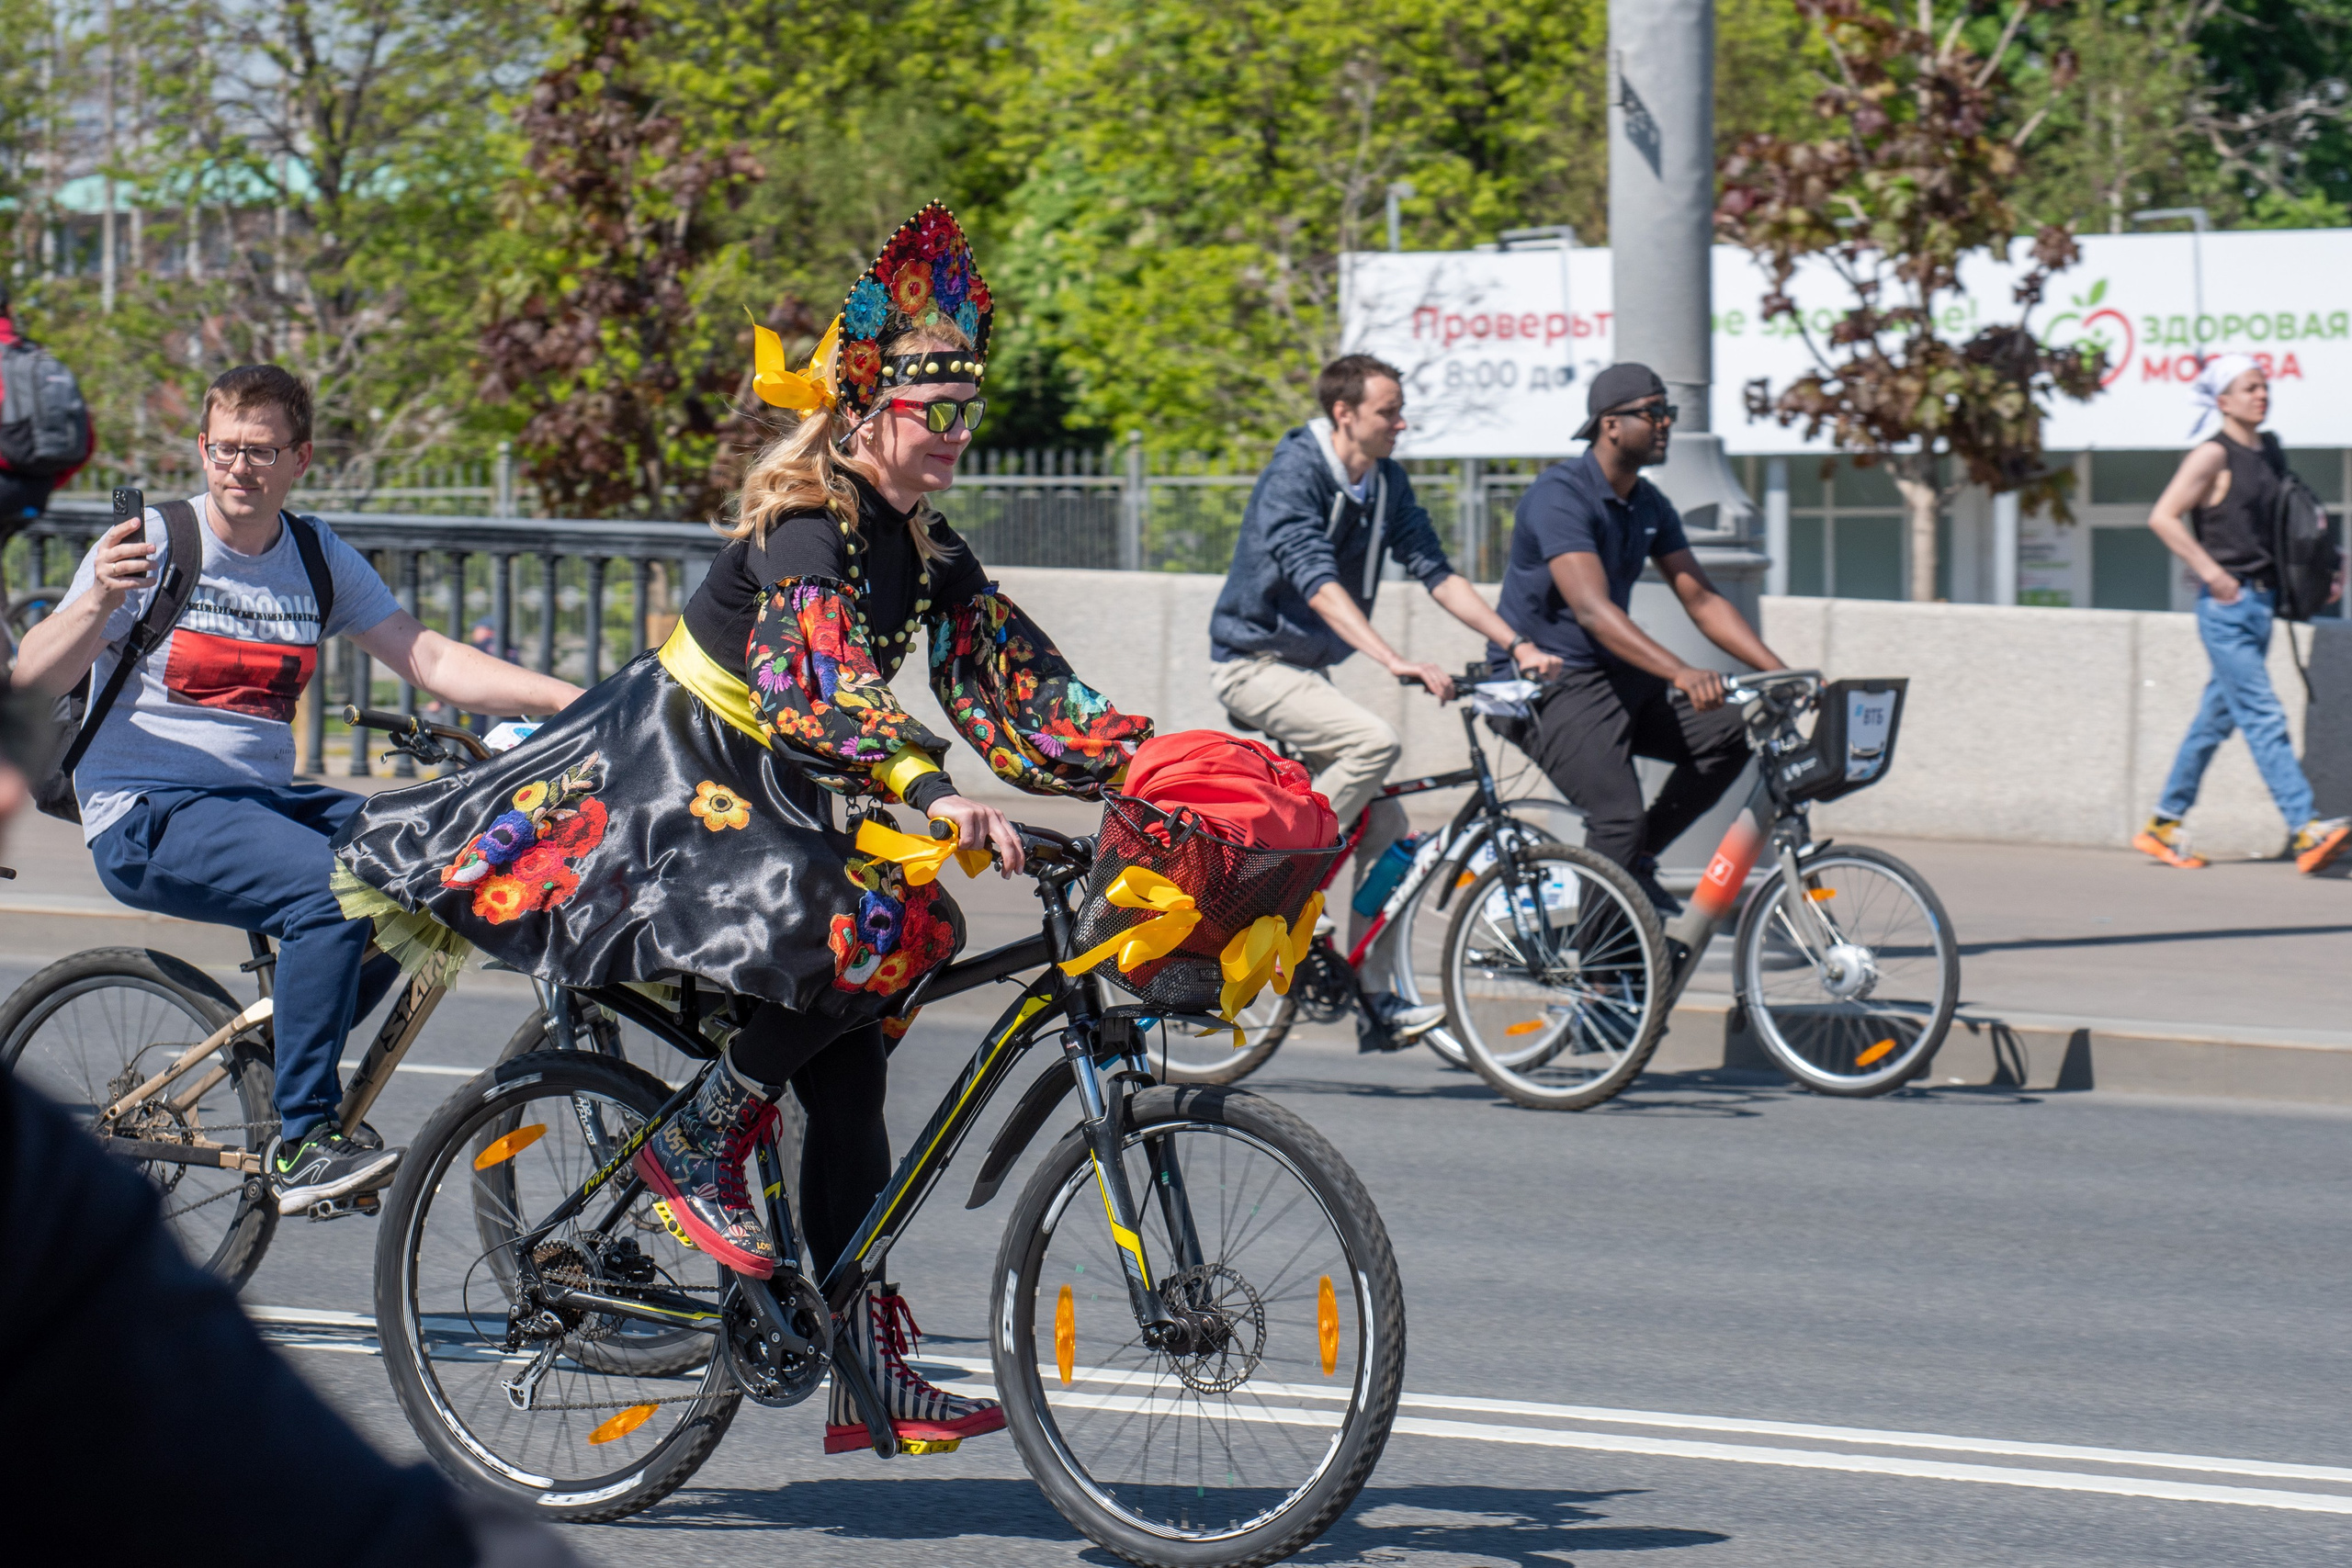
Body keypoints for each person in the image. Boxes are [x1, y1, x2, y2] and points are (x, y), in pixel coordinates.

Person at [332, 204, 1150, 1458]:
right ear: (869, 407)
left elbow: (1019, 687)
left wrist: (1152, 771)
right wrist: (935, 795)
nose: (962, 437)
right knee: (895, 919)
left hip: (770, 804)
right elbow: (819, 685)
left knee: (858, 1060)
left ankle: (857, 1345)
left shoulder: (927, 551)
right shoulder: (805, 526)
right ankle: (702, 1140)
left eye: (970, 413)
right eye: (943, 414)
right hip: (671, 789)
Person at [11, 364, 582, 1214]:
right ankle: (303, 1136)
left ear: (300, 458)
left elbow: (427, 657)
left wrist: (573, 700)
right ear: (204, 450)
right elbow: (29, 677)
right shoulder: (158, 542)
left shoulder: (314, 555)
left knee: (436, 864)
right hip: (148, 811)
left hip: (257, 801)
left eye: (262, 450)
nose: (239, 467)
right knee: (333, 896)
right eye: (224, 449)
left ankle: (290, 1043)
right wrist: (98, 596)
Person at [1209, 353, 1559, 1047]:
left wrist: (1516, 644)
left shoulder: (1386, 482)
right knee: (1373, 742)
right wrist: (1392, 657)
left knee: (1391, 832)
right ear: (1346, 414)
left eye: (1401, 411)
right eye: (1389, 411)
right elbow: (1314, 578)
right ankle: (1272, 877)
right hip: (1253, 664)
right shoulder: (1296, 472)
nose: (1403, 422)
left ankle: (1376, 997)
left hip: (1308, 673)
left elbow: (1436, 570)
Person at [1491, 362, 1783, 913]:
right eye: (1653, 412)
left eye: (1667, 411)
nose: (1665, 423)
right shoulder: (1561, 495)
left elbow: (1701, 598)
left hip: (1608, 677)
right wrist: (1681, 672)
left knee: (1725, 732)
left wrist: (1778, 672)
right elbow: (1593, 610)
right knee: (1616, 817)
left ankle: (1634, 865)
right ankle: (1595, 985)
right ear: (1610, 425)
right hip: (1544, 683)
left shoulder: (1648, 504)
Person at [2135, 355, 2348, 874]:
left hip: (2262, 603)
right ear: (2222, 400)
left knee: (2214, 721)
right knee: (2262, 714)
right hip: (2227, 608)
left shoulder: (2269, 451)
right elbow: (2162, 517)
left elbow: (2287, 522)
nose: (2261, 394)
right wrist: (2211, 572)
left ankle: (2163, 825)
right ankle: (2305, 827)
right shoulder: (2212, 455)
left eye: (2264, 386)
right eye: (2249, 388)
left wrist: (2329, 564)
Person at [0, 278, 97, 558]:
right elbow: (85, 441)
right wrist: (47, 480)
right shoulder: (38, 356)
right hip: (36, 493)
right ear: (9, 308)